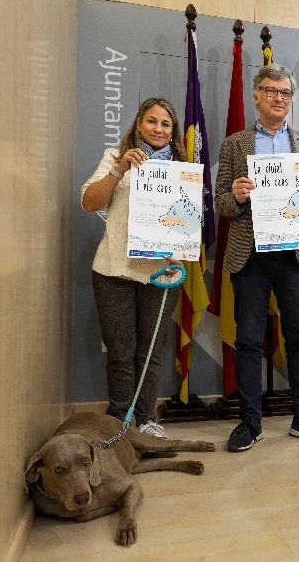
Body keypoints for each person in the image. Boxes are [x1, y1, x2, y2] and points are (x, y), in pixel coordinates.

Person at [214, 63, 299, 452]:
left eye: (285, 93)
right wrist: (235, 194)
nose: (279, 99)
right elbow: (219, 203)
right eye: (271, 91)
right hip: (249, 255)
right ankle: (250, 422)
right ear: (256, 95)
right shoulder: (234, 144)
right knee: (249, 339)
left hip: (294, 253)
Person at [81, 97, 187, 440]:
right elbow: (89, 203)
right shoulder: (116, 158)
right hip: (114, 271)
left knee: (151, 351)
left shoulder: (182, 171)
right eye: (152, 121)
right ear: (139, 124)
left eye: (165, 124)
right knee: (121, 351)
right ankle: (118, 420)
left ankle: (145, 418)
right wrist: (119, 170)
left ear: (173, 133)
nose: (158, 129)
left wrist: (180, 246)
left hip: (162, 274)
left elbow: (186, 224)